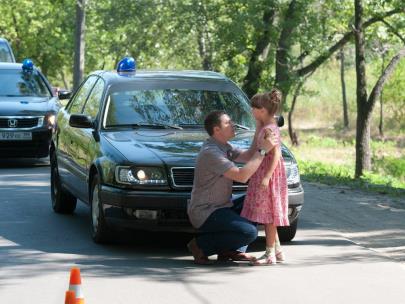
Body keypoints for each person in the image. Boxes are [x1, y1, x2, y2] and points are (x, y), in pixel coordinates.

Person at [187, 110, 276, 265]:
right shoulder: (211, 152)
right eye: (228, 122)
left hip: (223, 206)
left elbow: (249, 155)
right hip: (206, 211)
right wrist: (263, 150)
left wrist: (259, 127)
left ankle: (232, 250)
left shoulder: (224, 146)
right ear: (217, 130)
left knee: (254, 200)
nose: (233, 124)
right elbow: (242, 176)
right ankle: (200, 246)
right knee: (249, 233)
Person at [240, 89, 289, 265]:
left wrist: (267, 176)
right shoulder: (264, 126)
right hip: (262, 170)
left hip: (269, 173)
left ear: (261, 110)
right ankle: (278, 251)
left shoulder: (270, 129)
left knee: (269, 216)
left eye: (253, 109)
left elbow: (276, 155)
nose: (251, 112)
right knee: (268, 213)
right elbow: (254, 150)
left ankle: (269, 255)